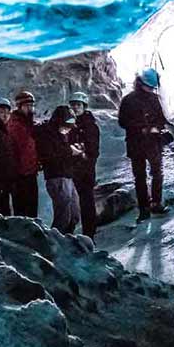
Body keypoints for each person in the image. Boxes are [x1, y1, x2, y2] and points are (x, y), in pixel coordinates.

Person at [117, 68, 170, 223]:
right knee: (140, 177)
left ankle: (156, 203)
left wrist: (156, 127)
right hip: (136, 143)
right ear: (140, 83)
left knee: (157, 173)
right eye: (149, 86)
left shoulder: (154, 99)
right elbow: (122, 121)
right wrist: (142, 127)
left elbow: (161, 119)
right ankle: (144, 209)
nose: (150, 89)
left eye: (153, 87)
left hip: (153, 142)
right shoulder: (128, 100)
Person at [35, 105, 86, 234]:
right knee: (63, 216)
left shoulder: (61, 134)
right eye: (67, 125)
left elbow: (64, 154)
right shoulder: (47, 134)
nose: (68, 129)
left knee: (74, 216)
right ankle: (54, 243)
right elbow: (50, 154)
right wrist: (70, 151)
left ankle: (66, 241)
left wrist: (78, 153)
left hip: (67, 176)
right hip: (56, 177)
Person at [68, 91, 101, 237]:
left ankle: (89, 233)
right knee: (73, 201)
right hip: (72, 169)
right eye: (73, 104)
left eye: (78, 105)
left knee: (86, 201)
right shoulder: (70, 124)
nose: (75, 107)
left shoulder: (90, 125)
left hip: (85, 170)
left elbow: (93, 150)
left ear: (84, 106)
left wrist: (83, 157)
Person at [7, 90, 40, 218]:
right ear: (20, 106)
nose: (30, 108)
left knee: (32, 210)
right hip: (19, 175)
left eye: (32, 105)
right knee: (21, 210)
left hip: (30, 172)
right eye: (27, 106)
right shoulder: (15, 124)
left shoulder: (28, 123)